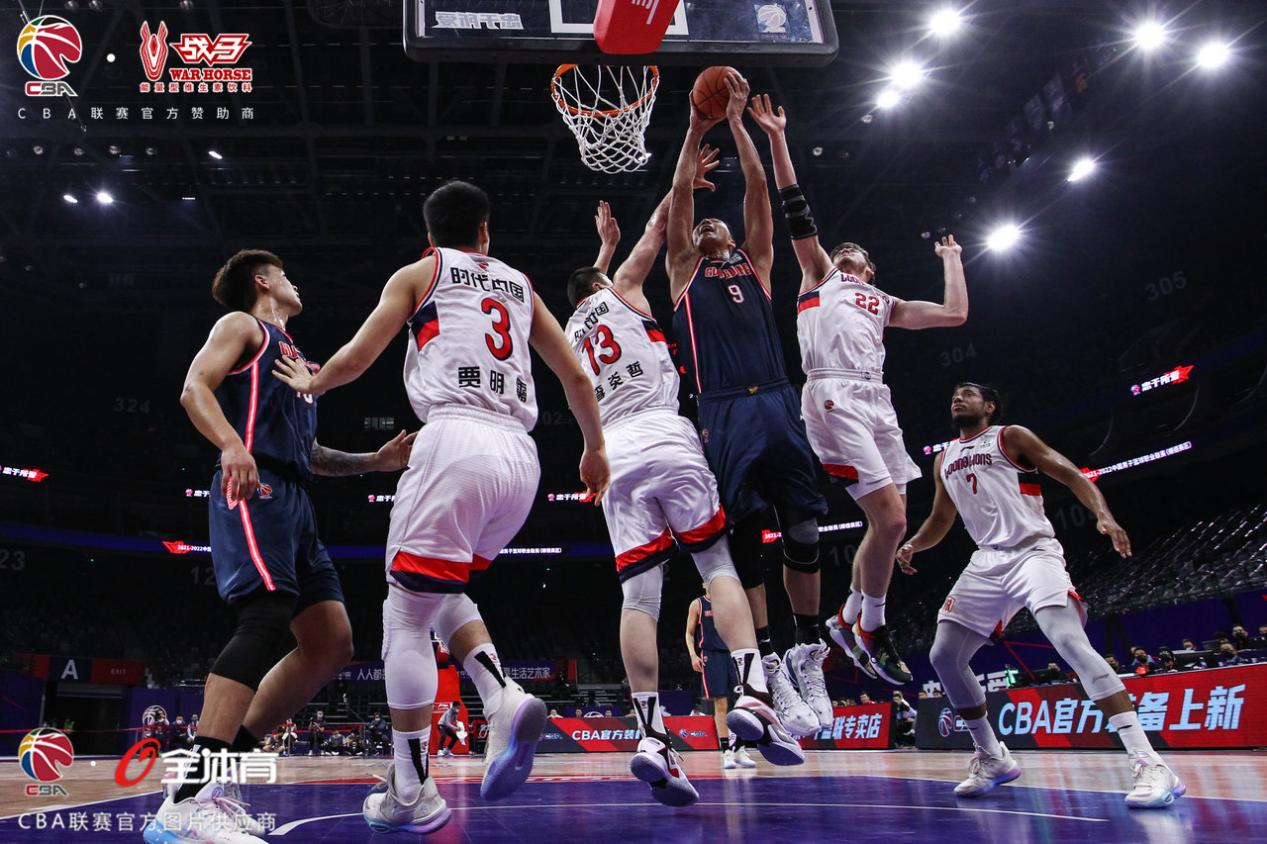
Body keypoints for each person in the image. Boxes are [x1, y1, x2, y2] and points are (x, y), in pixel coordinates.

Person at [274, 180, 610, 834]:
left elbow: (360, 354)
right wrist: (594, 449)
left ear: (430, 237)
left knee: (403, 614)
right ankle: (498, 696)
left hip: (454, 440)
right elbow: (574, 374)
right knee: (441, 592)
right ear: (485, 232)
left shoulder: (421, 272)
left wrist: (314, 381)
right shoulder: (518, 283)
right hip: (521, 460)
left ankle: (412, 787)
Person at [151, 249, 413, 843]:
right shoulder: (242, 326)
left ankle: (216, 780)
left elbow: (312, 455)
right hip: (255, 485)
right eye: (287, 275)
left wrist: (373, 462)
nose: (296, 283)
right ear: (263, 281)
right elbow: (194, 389)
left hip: (295, 499)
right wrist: (230, 446)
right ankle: (186, 801)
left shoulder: (298, 363)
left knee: (331, 644)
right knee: (265, 617)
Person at [566, 188, 801, 806]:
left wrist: (602, 251)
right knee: (716, 564)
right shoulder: (625, 287)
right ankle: (754, 692)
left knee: (639, 597)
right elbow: (656, 231)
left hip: (614, 453)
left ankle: (649, 736)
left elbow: (590, 292)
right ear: (605, 280)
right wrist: (682, 185)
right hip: (665, 433)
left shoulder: (569, 330)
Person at [748, 94, 968, 688]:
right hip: (832, 395)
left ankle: (848, 619)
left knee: (891, 524)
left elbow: (953, 314)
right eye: (843, 250)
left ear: (871, 271)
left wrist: (951, 258)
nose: (847, 252)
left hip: (877, 399)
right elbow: (796, 211)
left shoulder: (884, 302)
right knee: (891, 517)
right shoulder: (821, 275)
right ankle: (870, 625)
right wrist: (777, 138)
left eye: (859, 255)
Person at [899, 383, 1183, 808]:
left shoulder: (1010, 436)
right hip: (986, 561)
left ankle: (1150, 762)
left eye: (968, 393)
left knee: (1068, 640)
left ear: (989, 406)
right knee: (944, 656)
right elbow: (941, 518)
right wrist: (914, 544)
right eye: (954, 394)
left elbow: (1070, 473)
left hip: (1032, 552)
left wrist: (1103, 515)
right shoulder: (944, 458)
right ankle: (993, 757)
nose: (957, 397)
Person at [663, 70, 828, 737]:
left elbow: (759, 190)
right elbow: (680, 194)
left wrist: (737, 123)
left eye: (716, 221)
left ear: (732, 235)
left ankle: (807, 649)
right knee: (745, 538)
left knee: (805, 528)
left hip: (777, 399)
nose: (707, 223)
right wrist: (694, 128)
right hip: (724, 409)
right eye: (700, 222)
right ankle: (767, 662)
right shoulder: (684, 270)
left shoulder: (756, 262)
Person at [684, 587, 754, 771]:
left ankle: (740, 748)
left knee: (741, 703)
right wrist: (693, 654)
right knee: (721, 703)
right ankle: (726, 751)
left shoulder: (729, 601)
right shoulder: (698, 604)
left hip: (732, 653)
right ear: (704, 584)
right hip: (711, 655)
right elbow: (689, 633)